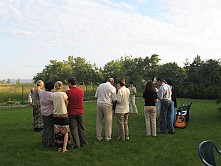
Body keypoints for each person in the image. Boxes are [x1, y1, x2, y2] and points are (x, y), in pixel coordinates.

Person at [66, 77, 88, 149]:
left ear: (70, 83)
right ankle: (83, 142)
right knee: (81, 127)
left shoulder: (68, 92)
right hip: (80, 111)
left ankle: (76, 144)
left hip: (72, 112)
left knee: (74, 129)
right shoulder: (81, 91)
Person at [51, 81, 70, 153]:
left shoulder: (52, 95)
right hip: (64, 114)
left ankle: (59, 147)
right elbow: (66, 102)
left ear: (55, 87)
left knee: (57, 131)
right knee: (65, 131)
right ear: (61, 86)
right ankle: (64, 148)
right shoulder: (63, 94)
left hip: (56, 114)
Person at [39, 82, 55, 147]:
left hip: (43, 112)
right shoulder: (51, 95)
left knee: (45, 127)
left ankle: (44, 141)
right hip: (50, 112)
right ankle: (49, 142)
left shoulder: (41, 93)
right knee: (50, 128)